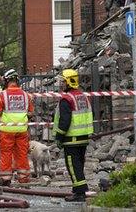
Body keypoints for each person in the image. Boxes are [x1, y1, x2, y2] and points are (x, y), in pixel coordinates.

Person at [53, 69, 94, 202]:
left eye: (63, 81)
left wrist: (59, 137)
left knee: (73, 165)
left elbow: (65, 121)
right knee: (79, 164)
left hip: (71, 139)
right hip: (83, 138)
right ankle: (78, 190)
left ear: (69, 81)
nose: (61, 84)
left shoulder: (67, 99)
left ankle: (80, 193)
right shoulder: (82, 96)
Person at [0, 69, 33, 186]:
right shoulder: (26, 95)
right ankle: (23, 178)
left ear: (7, 80)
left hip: (6, 130)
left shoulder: (2, 95)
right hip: (22, 129)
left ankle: (6, 179)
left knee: (6, 153)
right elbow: (30, 113)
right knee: (22, 153)